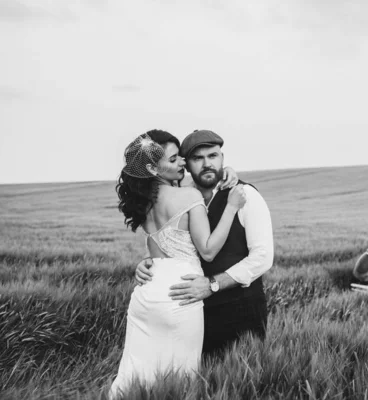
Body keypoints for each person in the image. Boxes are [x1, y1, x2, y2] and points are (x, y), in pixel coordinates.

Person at [109, 130, 246, 399]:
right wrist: (231, 207)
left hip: (146, 295)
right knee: (182, 379)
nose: (182, 164)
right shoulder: (187, 197)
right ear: (153, 168)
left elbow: (158, 250)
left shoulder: (142, 203)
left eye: (181, 158)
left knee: (136, 375)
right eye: (174, 160)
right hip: (180, 296)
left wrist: (225, 169)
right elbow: (207, 251)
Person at [135, 129, 274, 359]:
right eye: (198, 159)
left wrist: (212, 285)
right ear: (185, 165)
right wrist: (149, 262)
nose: (207, 164)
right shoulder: (184, 198)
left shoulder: (245, 194)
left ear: (222, 158)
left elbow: (262, 257)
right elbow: (171, 243)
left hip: (242, 310)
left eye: (213, 156)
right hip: (194, 312)